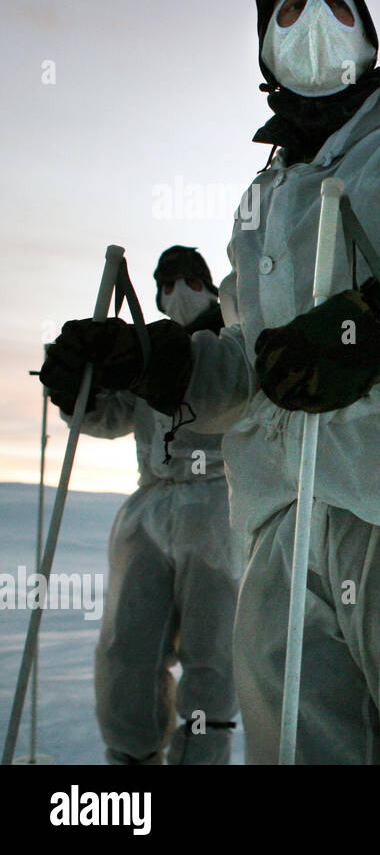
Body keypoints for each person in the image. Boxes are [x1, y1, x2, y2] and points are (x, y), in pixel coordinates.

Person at [40, 0, 380, 763]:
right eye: (288, 15)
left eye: (337, 9)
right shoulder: (263, 200)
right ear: (264, 53)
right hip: (282, 530)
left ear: (370, 34)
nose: (315, 29)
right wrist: (148, 362)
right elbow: (251, 368)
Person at [41, 247, 239, 764]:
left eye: (190, 279)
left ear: (209, 284)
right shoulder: (150, 353)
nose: (178, 291)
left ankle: (202, 756)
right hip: (149, 505)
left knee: (212, 649)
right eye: (167, 282)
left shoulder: (232, 342)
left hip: (220, 504)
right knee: (128, 647)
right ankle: (131, 762)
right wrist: (74, 394)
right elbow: (113, 416)